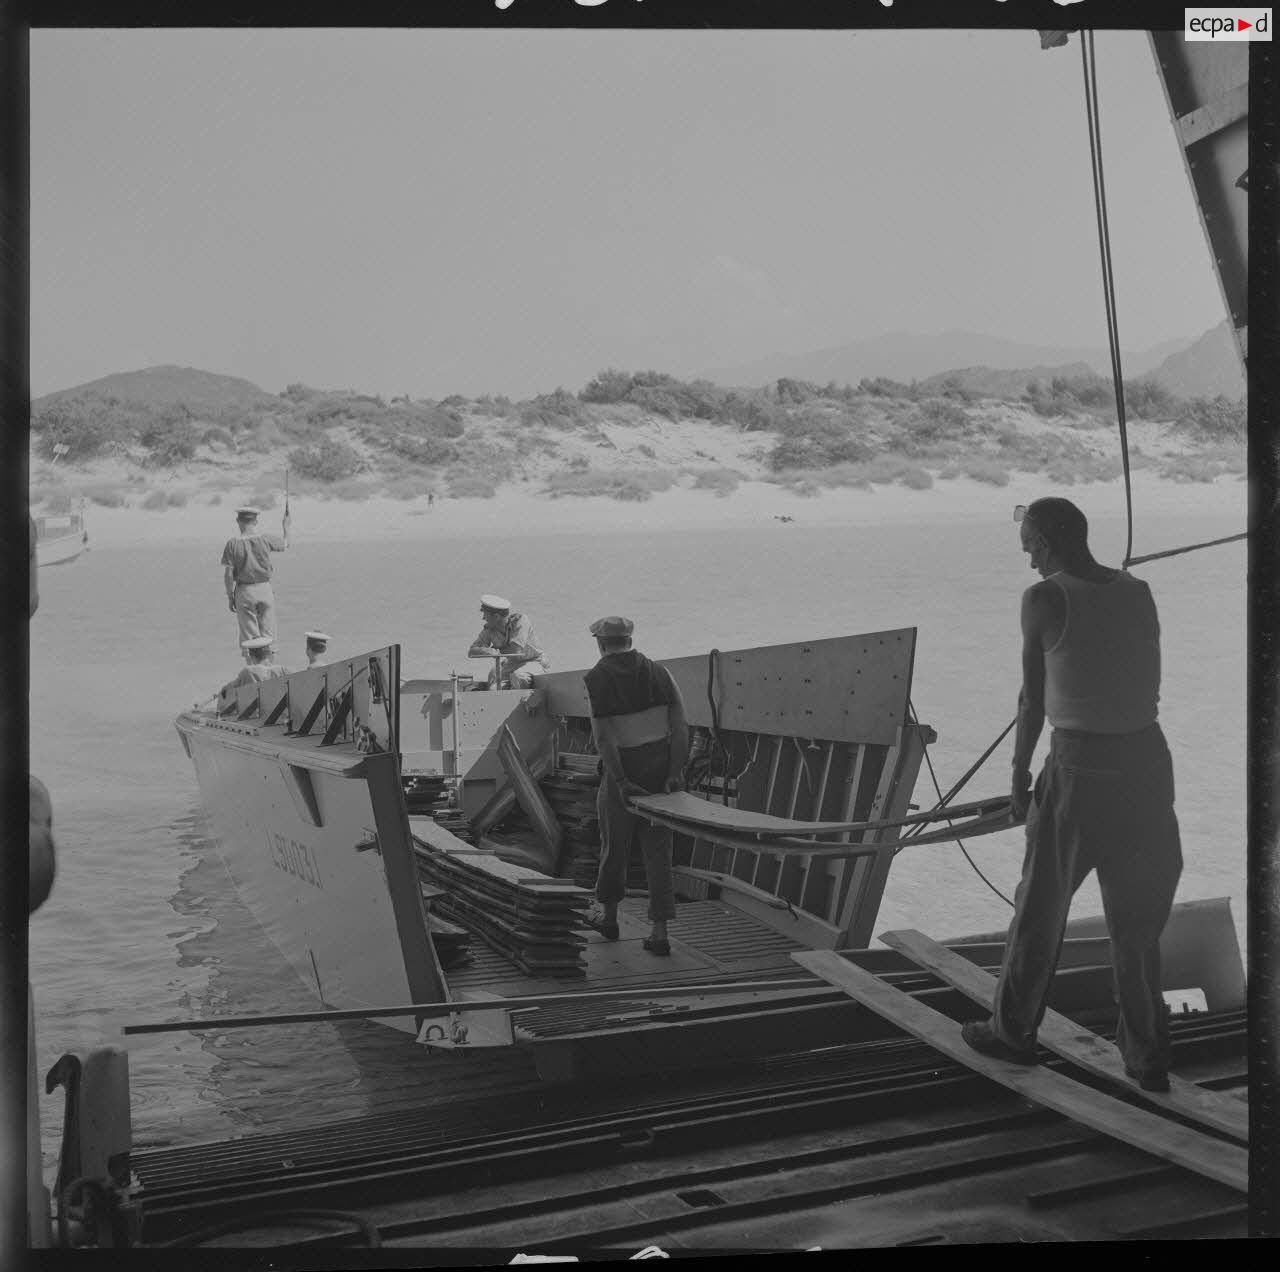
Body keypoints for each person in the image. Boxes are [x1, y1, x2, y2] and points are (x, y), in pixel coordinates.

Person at [961, 497, 1182, 1093]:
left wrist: (1017, 781)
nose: (1030, 559)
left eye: (1032, 545)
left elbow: (1032, 703)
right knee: (1136, 921)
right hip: (1147, 762)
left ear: (1053, 540)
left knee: (1041, 907)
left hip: (1080, 767)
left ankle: (1012, 1032)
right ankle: (1147, 1056)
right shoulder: (1138, 590)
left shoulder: (1043, 599)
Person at [585, 616, 689, 957]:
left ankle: (610, 918)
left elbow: (604, 738)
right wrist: (674, 771)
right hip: (660, 767)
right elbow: (680, 726)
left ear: (601, 643)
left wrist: (621, 781)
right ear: (630, 639)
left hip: (624, 771)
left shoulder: (598, 678)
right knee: (659, 851)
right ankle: (660, 933)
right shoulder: (661, 672)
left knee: (614, 845)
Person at [221, 505, 290, 645]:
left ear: (238, 521)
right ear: (256, 522)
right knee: (269, 636)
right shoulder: (266, 539)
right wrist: (286, 526)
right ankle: (269, 663)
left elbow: (228, 574)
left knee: (250, 639)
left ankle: (253, 665)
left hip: (245, 591)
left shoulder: (232, 544)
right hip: (265, 589)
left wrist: (230, 596)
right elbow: (285, 544)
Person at [467, 594, 549, 688]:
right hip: (513, 664)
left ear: (497, 617)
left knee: (518, 676)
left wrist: (496, 651)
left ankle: (522, 701)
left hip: (535, 661)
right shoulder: (490, 629)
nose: (483, 618)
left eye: (485, 615)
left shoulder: (521, 621)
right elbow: (472, 651)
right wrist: (488, 651)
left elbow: (515, 649)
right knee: (494, 685)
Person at [217, 635, 289, 710]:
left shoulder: (248, 672)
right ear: (269, 653)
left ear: (251, 655)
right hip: (278, 710)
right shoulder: (282, 670)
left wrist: (222, 691)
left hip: (257, 712)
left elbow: (228, 689)